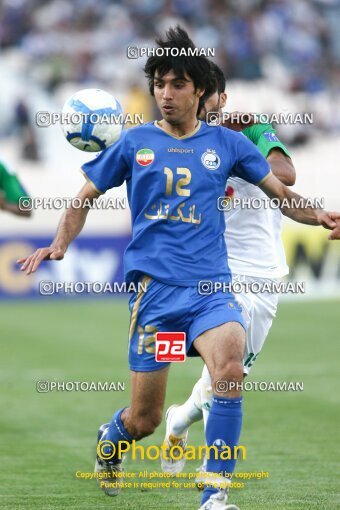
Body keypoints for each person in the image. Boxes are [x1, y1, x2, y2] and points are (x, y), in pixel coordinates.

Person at [17, 27, 340, 510]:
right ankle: (113, 438)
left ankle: (214, 494)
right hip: (156, 298)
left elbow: (282, 193)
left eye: (177, 85)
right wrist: (59, 244)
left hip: (211, 291)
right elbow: (83, 198)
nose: (166, 94)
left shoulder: (229, 145)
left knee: (229, 370)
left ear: (201, 92)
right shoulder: (133, 143)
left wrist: (321, 216)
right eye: (160, 84)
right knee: (144, 420)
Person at [160, 63, 296, 483]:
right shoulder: (181, 143)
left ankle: (178, 421)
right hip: (219, 272)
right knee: (228, 370)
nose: (207, 103)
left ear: (222, 98)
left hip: (266, 275)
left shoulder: (251, 129)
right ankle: (213, 476)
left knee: (228, 375)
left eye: (213, 95)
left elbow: (287, 175)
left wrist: (238, 148)